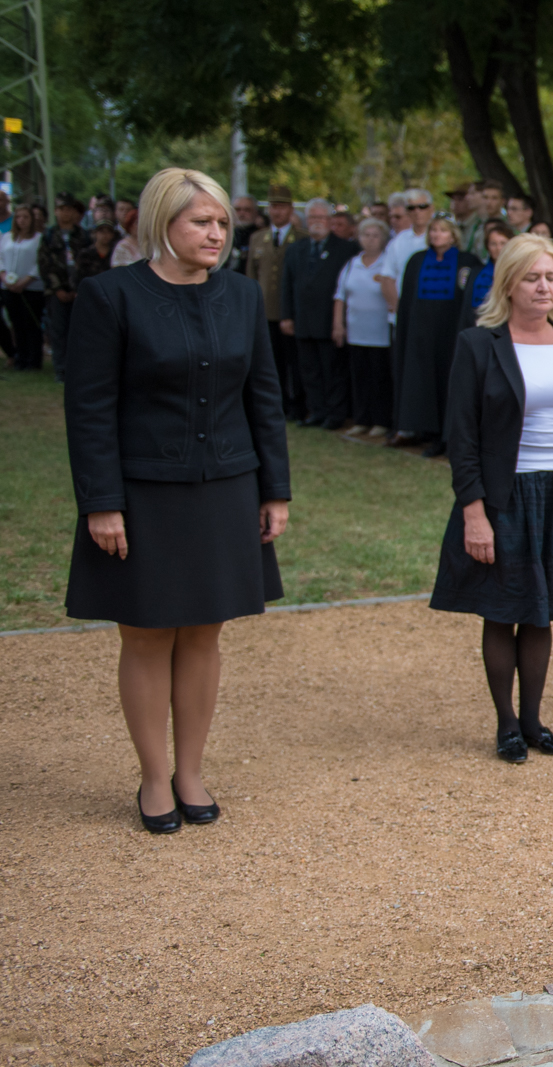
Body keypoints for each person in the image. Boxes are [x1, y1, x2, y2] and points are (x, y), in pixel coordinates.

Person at [63, 167, 291, 835]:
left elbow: (265, 400)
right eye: (201, 221)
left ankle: (192, 770)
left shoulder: (244, 297)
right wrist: (101, 502)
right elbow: (90, 409)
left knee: (204, 631)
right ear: (162, 223)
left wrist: (275, 490)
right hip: (140, 493)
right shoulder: (110, 297)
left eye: (222, 222)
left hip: (227, 486)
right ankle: (155, 777)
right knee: (146, 632)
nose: (216, 233)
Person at [432, 233, 553, 761]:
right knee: (502, 608)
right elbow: (461, 437)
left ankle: (534, 721)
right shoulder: (478, 345)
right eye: (532, 277)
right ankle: (506, 724)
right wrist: (474, 513)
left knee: (542, 611)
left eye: (551, 277)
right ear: (509, 283)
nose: (543, 286)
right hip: (504, 495)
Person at [391, 215, 481, 456]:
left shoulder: (467, 262)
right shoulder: (417, 261)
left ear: (453, 235)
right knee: (423, 382)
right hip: (421, 332)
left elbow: (467, 298)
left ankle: (448, 435)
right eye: (433, 230)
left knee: (449, 380)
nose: (436, 235)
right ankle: (426, 432)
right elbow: (407, 300)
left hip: (451, 331)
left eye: (442, 230)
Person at [281, 198, 360, 430]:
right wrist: (287, 316)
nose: (316, 222)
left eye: (321, 218)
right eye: (312, 217)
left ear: (329, 220)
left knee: (333, 370)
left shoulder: (346, 248)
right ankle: (316, 411)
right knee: (309, 370)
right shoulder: (296, 249)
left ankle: (335, 414)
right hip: (303, 320)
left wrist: (341, 322)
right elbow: (287, 284)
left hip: (330, 320)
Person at [247, 185, 307, 420]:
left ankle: (297, 405)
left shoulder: (301, 238)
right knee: (270, 365)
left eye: (281, 206)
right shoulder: (257, 237)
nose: (276, 212)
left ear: (291, 209)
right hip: (265, 311)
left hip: (289, 311)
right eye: (273, 206)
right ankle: (275, 404)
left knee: (295, 363)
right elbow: (251, 276)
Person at [333, 217, 394, 438]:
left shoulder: (387, 262)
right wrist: (338, 324)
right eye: (366, 235)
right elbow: (340, 296)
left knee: (379, 377)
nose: (370, 240)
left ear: (384, 239)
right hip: (356, 331)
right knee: (359, 378)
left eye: (375, 235)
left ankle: (380, 420)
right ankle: (361, 419)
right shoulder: (352, 263)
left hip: (379, 332)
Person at [39, 195, 92, 382]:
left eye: (68, 209)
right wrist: (57, 288)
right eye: (61, 209)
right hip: (57, 290)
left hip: (79, 290)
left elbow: (88, 264)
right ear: (56, 211)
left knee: (78, 331)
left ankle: (78, 368)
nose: (65, 213)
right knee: (58, 330)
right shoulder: (49, 235)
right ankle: (60, 369)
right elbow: (44, 264)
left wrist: (79, 288)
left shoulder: (84, 235)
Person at [376, 188, 434, 332]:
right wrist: (400, 311)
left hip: (433, 315)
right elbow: (387, 278)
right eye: (411, 208)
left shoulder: (440, 237)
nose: (417, 211)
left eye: (422, 206)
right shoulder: (398, 241)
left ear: (431, 208)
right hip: (402, 316)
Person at [0, 204, 45, 369]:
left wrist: (25, 281)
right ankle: (20, 358)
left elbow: (39, 263)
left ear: (31, 219)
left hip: (31, 288)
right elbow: (1, 259)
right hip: (9, 287)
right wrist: (4, 277)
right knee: (16, 324)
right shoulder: (7, 237)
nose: (22, 220)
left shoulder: (38, 238)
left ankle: (33, 360)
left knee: (31, 324)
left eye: (26, 217)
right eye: (18, 217)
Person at [73, 220, 119, 289]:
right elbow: (78, 277)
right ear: (95, 233)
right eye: (101, 232)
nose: (105, 235)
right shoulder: (85, 254)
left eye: (108, 232)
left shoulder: (116, 253)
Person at [230, 195, 260, 273]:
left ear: (255, 212)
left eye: (247, 210)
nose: (242, 213)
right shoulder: (225, 235)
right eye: (238, 210)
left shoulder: (261, 237)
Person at [112, 201, 142, 268]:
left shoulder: (151, 244)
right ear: (130, 226)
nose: (140, 226)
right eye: (136, 223)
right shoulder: (122, 246)